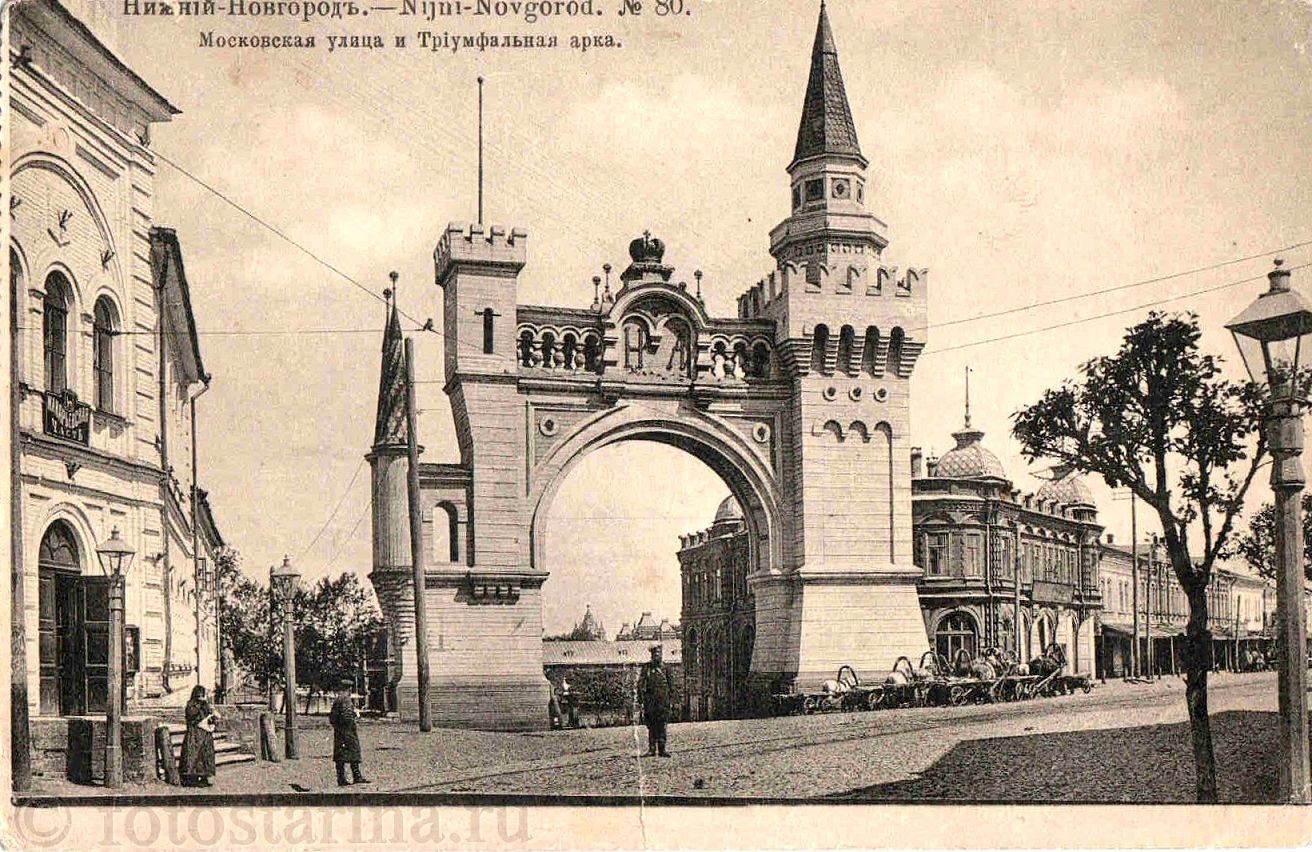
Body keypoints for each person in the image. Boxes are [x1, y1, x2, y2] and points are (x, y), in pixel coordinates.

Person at [329, 680, 369, 787]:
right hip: (347, 731)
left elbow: (332, 718)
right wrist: (353, 717)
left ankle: (341, 778)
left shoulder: (338, 699)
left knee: (340, 755)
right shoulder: (346, 700)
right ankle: (356, 776)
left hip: (339, 731)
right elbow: (346, 716)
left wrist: (337, 726)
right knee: (353, 753)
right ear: (349, 689)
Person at [638, 645, 674, 757]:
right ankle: (652, 749)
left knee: (662, 725)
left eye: (658, 653)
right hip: (650, 701)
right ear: (652, 655)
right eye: (654, 653)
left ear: (661, 654)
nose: (657, 655)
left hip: (663, 701)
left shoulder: (666, 668)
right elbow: (641, 684)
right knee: (651, 725)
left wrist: (672, 700)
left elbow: (671, 685)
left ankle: (662, 749)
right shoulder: (646, 668)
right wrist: (640, 699)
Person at [180, 685, 218, 787]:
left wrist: (211, 717)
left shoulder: (205, 704)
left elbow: (211, 714)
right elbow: (192, 716)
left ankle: (204, 776)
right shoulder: (191, 704)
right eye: (202, 694)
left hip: (205, 734)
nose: (203, 696)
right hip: (195, 733)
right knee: (193, 755)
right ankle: (190, 778)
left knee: (205, 756)